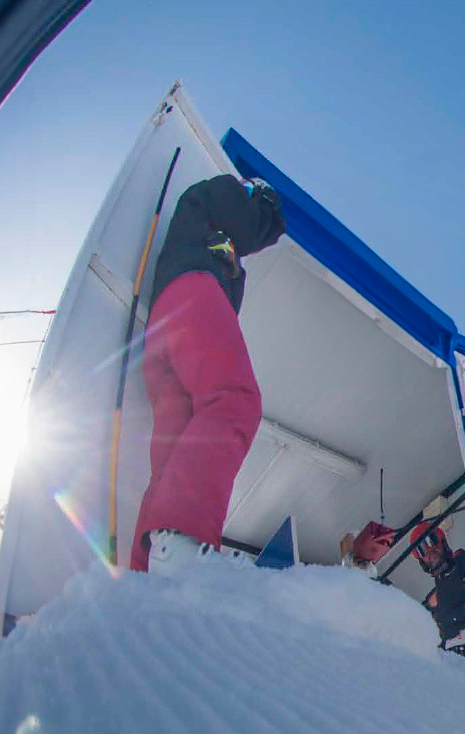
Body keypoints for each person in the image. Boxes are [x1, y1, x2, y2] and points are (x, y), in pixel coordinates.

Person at [132, 175, 286, 572]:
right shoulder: (217, 193)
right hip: (190, 296)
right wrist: (267, 203)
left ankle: (148, 575)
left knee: (176, 445)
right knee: (233, 399)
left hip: (168, 324)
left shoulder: (213, 239)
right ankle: (184, 540)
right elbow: (253, 226)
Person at [409, 521, 465, 659]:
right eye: (422, 549)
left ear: (442, 542)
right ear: (421, 560)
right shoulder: (434, 597)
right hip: (457, 662)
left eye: (432, 540)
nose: (429, 550)